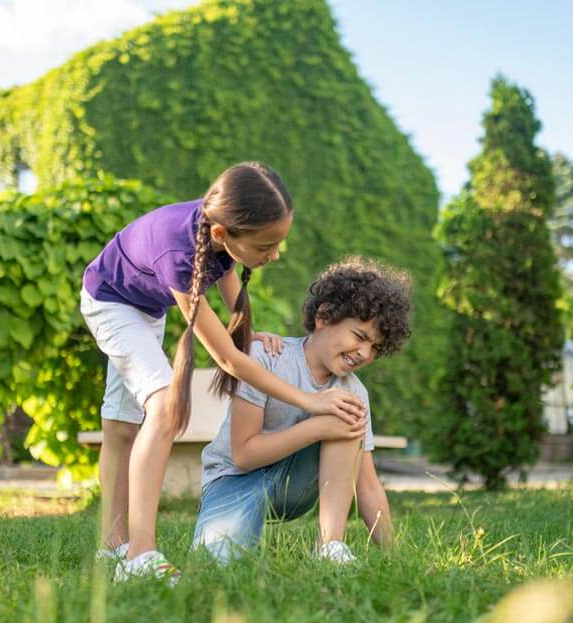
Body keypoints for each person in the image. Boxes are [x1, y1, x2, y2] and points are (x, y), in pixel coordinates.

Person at [80, 162, 365, 583]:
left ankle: (112, 548)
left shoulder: (219, 231)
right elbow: (229, 360)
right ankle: (140, 554)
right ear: (222, 235)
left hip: (145, 308)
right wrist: (307, 399)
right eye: (267, 245)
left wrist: (252, 333)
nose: (275, 255)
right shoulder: (179, 251)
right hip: (110, 303)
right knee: (161, 407)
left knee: (122, 427)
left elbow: (236, 323)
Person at [192, 257, 411, 564]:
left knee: (346, 412)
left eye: (375, 347)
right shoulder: (267, 358)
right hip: (234, 479)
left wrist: (395, 555)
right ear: (323, 317)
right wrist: (316, 428)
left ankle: (329, 545)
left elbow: (368, 484)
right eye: (360, 336)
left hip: (294, 489)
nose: (364, 352)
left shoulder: (353, 391)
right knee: (221, 561)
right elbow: (243, 455)